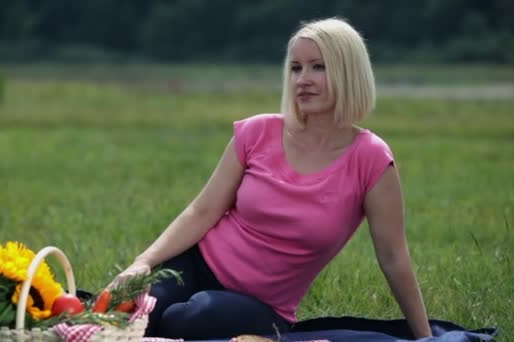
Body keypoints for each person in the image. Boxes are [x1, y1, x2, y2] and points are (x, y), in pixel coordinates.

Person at [108, 17, 432, 340]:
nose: (303, 79)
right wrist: (143, 263)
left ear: (349, 72)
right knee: (126, 312)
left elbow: (393, 257)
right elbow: (202, 210)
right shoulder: (257, 132)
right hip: (193, 264)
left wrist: (425, 337)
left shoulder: (371, 158)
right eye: (295, 68)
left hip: (262, 307)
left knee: (189, 318)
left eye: (318, 67)